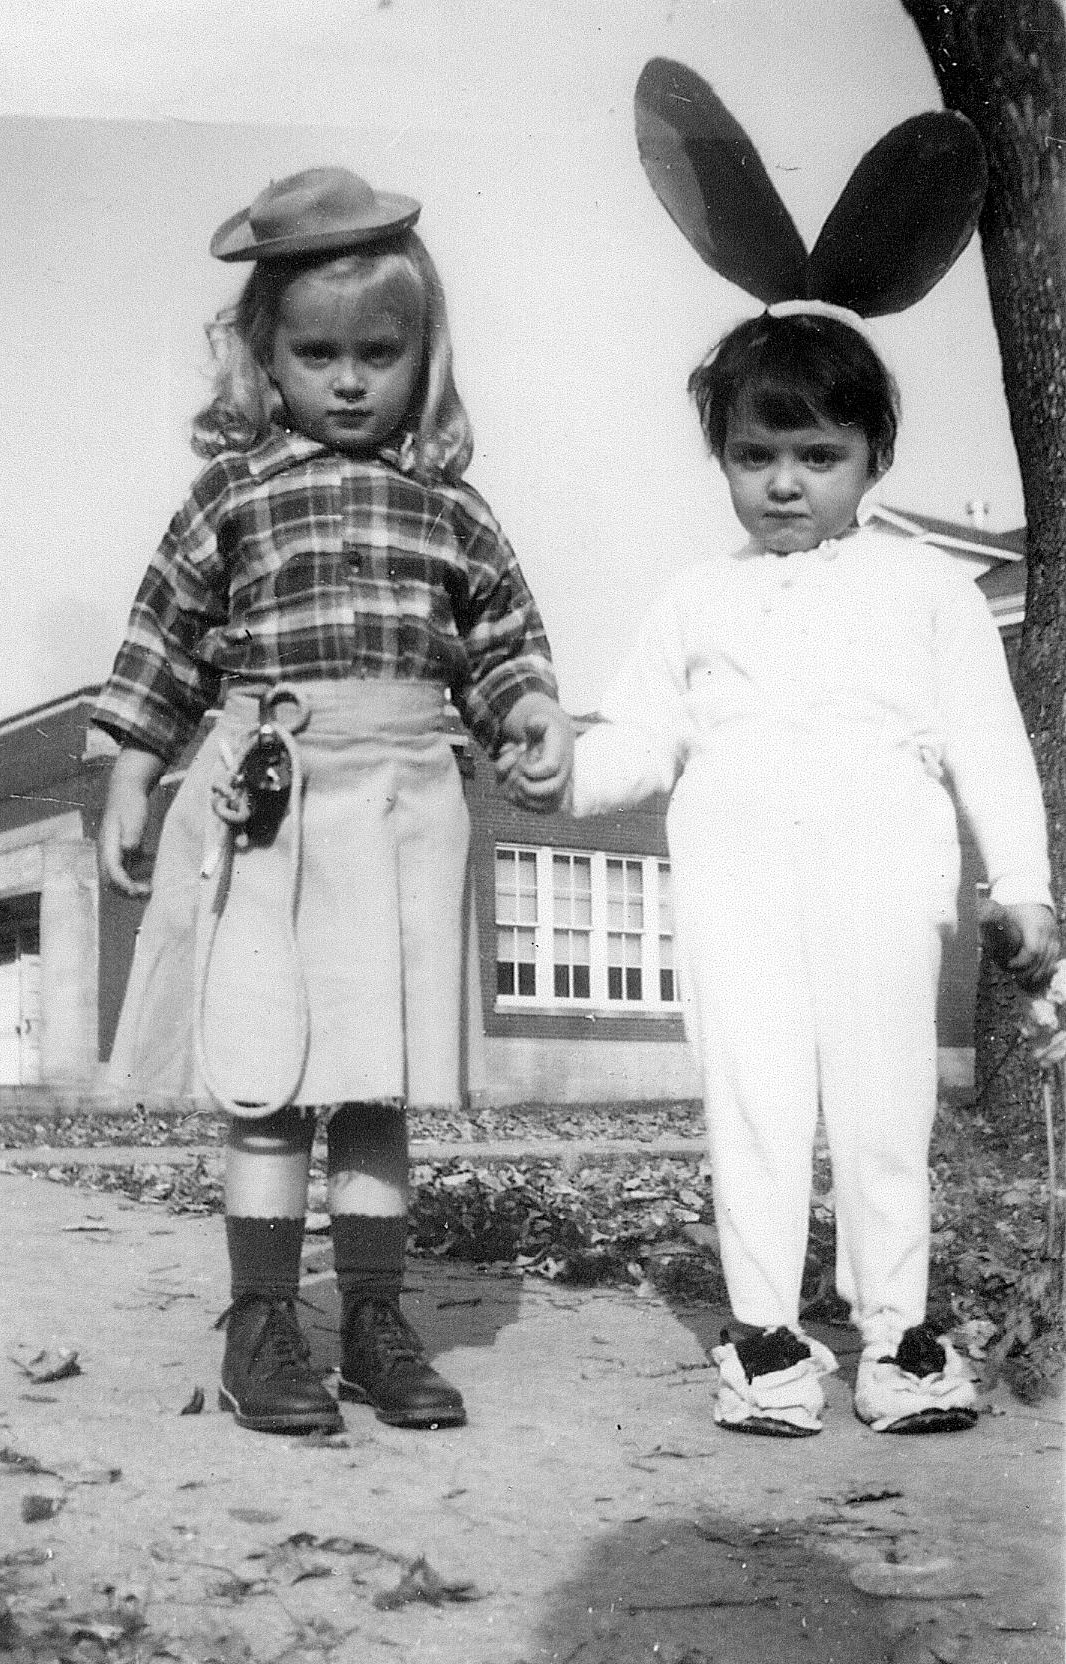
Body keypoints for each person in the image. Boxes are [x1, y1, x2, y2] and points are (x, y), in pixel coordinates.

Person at [93, 167, 573, 1437]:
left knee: (370, 1082)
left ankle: (370, 1317)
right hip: (270, 806)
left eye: (379, 353)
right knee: (267, 1072)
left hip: (406, 801)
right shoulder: (232, 497)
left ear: (426, 357)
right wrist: (134, 770)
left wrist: (528, 714)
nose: (349, 380)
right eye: (317, 354)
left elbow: (501, 644)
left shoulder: (453, 509)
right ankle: (262, 1324)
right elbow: (164, 641)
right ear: (265, 355)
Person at [565, 307, 1058, 1436]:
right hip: (735, 881)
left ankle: (896, 1334)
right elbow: (640, 737)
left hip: (882, 875)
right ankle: (766, 1337)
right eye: (754, 456)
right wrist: (557, 772)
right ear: (722, 460)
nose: (783, 483)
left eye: (816, 456)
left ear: (872, 460)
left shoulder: (925, 587)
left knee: (884, 1109)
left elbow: (983, 739)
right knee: (754, 1100)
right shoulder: (696, 596)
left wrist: (1020, 881)